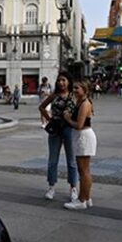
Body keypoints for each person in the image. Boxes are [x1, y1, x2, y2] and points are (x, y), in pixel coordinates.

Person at [38, 72, 78, 202]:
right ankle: (51, 187)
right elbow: (42, 107)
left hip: (68, 129)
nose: (61, 83)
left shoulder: (73, 96)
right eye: (59, 80)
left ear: (69, 82)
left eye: (64, 80)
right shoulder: (54, 95)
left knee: (71, 160)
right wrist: (50, 119)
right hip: (55, 129)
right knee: (52, 160)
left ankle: (73, 187)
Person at [62, 80, 96, 210]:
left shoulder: (84, 104)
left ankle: (81, 200)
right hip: (82, 137)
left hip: (84, 136)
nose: (74, 90)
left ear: (84, 89)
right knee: (84, 170)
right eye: (74, 88)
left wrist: (67, 118)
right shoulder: (81, 102)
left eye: (77, 88)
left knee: (83, 171)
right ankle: (86, 198)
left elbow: (79, 125)